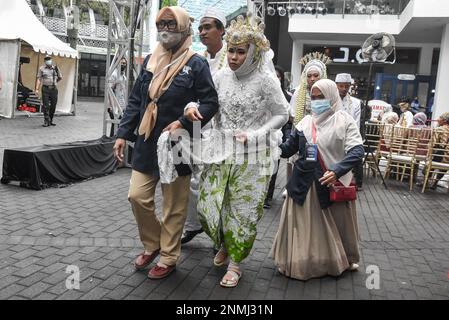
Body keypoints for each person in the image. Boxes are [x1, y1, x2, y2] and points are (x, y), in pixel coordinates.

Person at [113, 6, 219, 280]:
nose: (166, 29)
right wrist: (123, 133)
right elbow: (137, 101)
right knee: (137, 196)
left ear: (184, 28)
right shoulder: (151, 60)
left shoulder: (196, 63)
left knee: (174, 205)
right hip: (148, 140)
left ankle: (169, 257)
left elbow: (210, 102)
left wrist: (184, 122)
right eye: (162, 24)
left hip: (178, 143)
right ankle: (153, 243)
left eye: (172, 24)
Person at [186, 14, 289, 288]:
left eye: (240, 51)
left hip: (253, 155)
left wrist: (256, 134)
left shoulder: (266, 80)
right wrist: (192, 108)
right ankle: (222, 242)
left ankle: (235, 262)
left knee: (241, 210)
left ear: (253, 52)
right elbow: (208, 103)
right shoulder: (220, 76)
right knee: (210, 206)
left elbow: (283, 113)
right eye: (230, 50)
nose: (233, 56)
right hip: (220, 149)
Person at [271, 79, 364, 281]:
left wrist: (337, 170)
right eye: (313, 98)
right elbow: (289, 148)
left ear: (331, 96)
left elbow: (357, 150)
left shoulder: (344, 120)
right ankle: (299, 260)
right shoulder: (305, 122)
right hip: (303, 183)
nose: (316, 101)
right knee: (302, 228)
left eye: (321, 97)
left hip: (329, 182)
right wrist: (269, 142)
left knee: (336, 225)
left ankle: (337, 259)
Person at [181, 8, 227, 246]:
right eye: (200, 28)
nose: (202, 32)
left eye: (208, 27)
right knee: (192, 179)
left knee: (219, 184)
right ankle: (193, 224)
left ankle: (220, 236)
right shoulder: (197, 61)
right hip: (199, 127)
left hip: (225, 129)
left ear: (221, 30)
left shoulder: (234, 58)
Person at [282, 52, 331, 198]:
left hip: (322, 134)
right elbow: (291, 115)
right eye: (309, 76)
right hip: (302, 132)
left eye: (316, 75)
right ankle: (291, 187)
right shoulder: (299, 92)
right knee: (295, 160)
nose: (312, 79)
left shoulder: (328, 91)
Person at [264, 65, 293, 209]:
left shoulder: (287, 96)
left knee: (274, 168)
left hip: (277, 136)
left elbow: (289, 119)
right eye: (273, 75)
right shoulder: (263, 92)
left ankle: (268, 197)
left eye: (278, 76)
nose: (275, 78)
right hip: (260, 137)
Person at [336, 73, 363, 190]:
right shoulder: (331, 100)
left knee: (355, 154)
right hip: (334, 134)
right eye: (341, 86)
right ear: (336, 86)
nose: (343, 89)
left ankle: (356, 182)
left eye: (346, 86)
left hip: (350, 134)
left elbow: (356, 122)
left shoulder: (356, 102)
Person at [35, 55, 62, 127]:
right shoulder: (42, 68)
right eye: (46, 59)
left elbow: (60, 77)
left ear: (51, 60)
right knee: (46, 105)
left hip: (54, 89)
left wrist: (55, 83)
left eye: (49, 59)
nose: (48, 60)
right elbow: (39, 79)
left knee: (53, 105)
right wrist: (37, 89)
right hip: (45, 88)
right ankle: (46, 121)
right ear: (44, 61)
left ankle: (50, 120)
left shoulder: (55, 68)